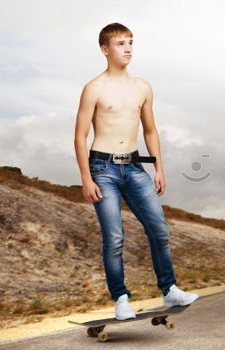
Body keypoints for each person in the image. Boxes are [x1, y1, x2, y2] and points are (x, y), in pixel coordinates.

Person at [73, 22, 198, 320]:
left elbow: (151, 130)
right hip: (102, 168)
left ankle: (169, 290)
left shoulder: (143, 87)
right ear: (105, 49)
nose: (128, 48)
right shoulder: (94, 88)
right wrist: (86, 178)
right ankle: (121, 299)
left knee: (159, 229)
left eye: (130, 42)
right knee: (114, 237)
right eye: (120, 43)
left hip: (135, 166)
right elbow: (79, 137)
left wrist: (159, 168)